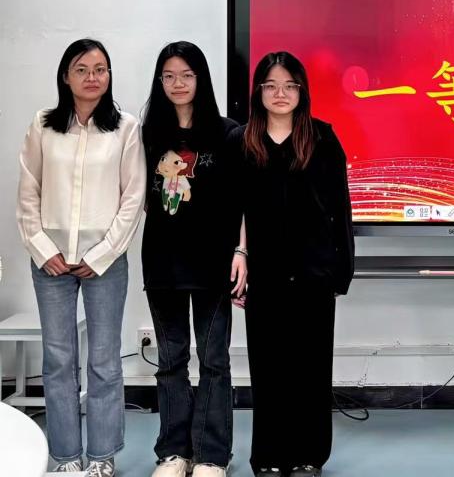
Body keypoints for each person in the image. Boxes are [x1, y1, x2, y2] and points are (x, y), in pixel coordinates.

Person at [16, 38, 146, 477]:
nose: (92, 77)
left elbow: (133, 198)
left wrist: (103, 254)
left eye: (100, 69)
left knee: (104, 361)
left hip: (104, 263)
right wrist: (43, 250)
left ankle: (102, 457)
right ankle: (66, 456)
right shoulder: (43, 125)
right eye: (82, 69)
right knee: (58, 360)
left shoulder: (125, 128)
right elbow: (28, 193)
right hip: (50, 262)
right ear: (65, 76)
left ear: (109, 76)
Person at [231, 51, 355, 477]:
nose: (280, 93)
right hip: (264, 273)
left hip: (313, 273)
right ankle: (268, 457)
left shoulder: (322, 138)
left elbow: (340, 208)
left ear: (302, 91)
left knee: (310, 369)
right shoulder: (242, 141)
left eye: (289, 85)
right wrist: (239, 256)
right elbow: (235, 210)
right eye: (271, 85)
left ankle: (308, 456)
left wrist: (340, 270)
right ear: (258, 92)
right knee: (268, 368)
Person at [141, 42, 248, 477]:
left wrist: (241, 251)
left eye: (186, 75)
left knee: (213, 361)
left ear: (200, 79)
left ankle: (211, 455)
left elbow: (244, 201)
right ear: (160, 81)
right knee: (170, 362)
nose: (178, 83)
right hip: (162, 263)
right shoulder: (149, 134)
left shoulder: (228, 133)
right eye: (169, 76)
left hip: (212, 263)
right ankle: (174, 453)